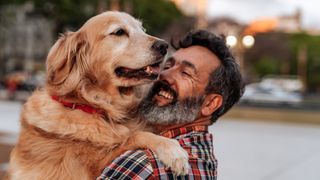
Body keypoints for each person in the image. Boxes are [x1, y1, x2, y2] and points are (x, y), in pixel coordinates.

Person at [98, 30, 244, 179]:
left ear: (210, 104)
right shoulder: (203, 161)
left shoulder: (148, 164)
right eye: (167, 66)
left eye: (186, 73)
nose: (164, 75)